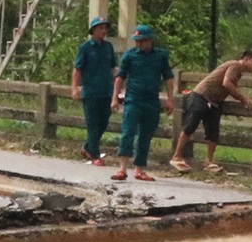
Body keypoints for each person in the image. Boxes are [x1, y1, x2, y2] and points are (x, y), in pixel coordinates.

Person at [170, 49, 252, 173]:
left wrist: (243, 97)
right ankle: (177, 156)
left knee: (213, 131)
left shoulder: (238, 72)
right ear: (245, 59)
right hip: (201, 96)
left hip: (214, 101)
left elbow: (230, 85)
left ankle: (209, 161)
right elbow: (227, 83)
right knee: (190, 126)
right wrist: (242, 98)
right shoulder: (235, 65)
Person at [111, 24, 174, 182]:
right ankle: (122, 168)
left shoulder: (160, 56)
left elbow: (168, 78)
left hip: (152, 101)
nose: (139, 43)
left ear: (149, 40)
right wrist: (115, 97)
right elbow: (120, 77)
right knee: (128, 132)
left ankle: (139, 169)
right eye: (137, 41)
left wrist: (170, 99)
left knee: (145, 136)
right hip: (133, 99)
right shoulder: (129, 56)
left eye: (142, 40)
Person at [70, 16, 117, 164]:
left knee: (103, 122)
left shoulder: (108, 47)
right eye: (101, 28)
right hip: (91, 92)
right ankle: (95, 155)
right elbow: (77, 69)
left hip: (106, 91)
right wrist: (75, 88)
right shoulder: (85, 48)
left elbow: (113, 68)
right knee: (93, 124)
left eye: (105, 28)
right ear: (93, 30)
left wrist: (119, 85)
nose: (104, 31)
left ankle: (87, 147)